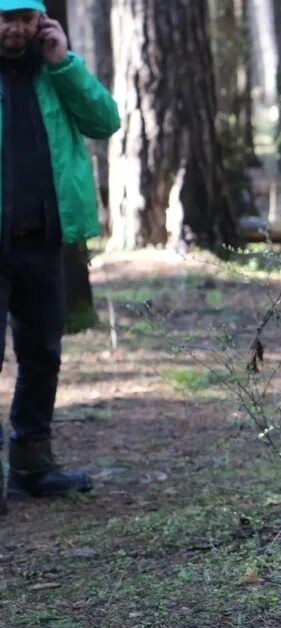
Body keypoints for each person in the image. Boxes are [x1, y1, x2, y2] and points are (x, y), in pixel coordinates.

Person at [0, 1, 119, 515]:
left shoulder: (53, 70)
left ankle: (32, 464)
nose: (16, 28)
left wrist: (64, 64)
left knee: (42, 352)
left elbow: (104, 120)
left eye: (26, 18)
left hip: (42, 237)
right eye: (6, 18)